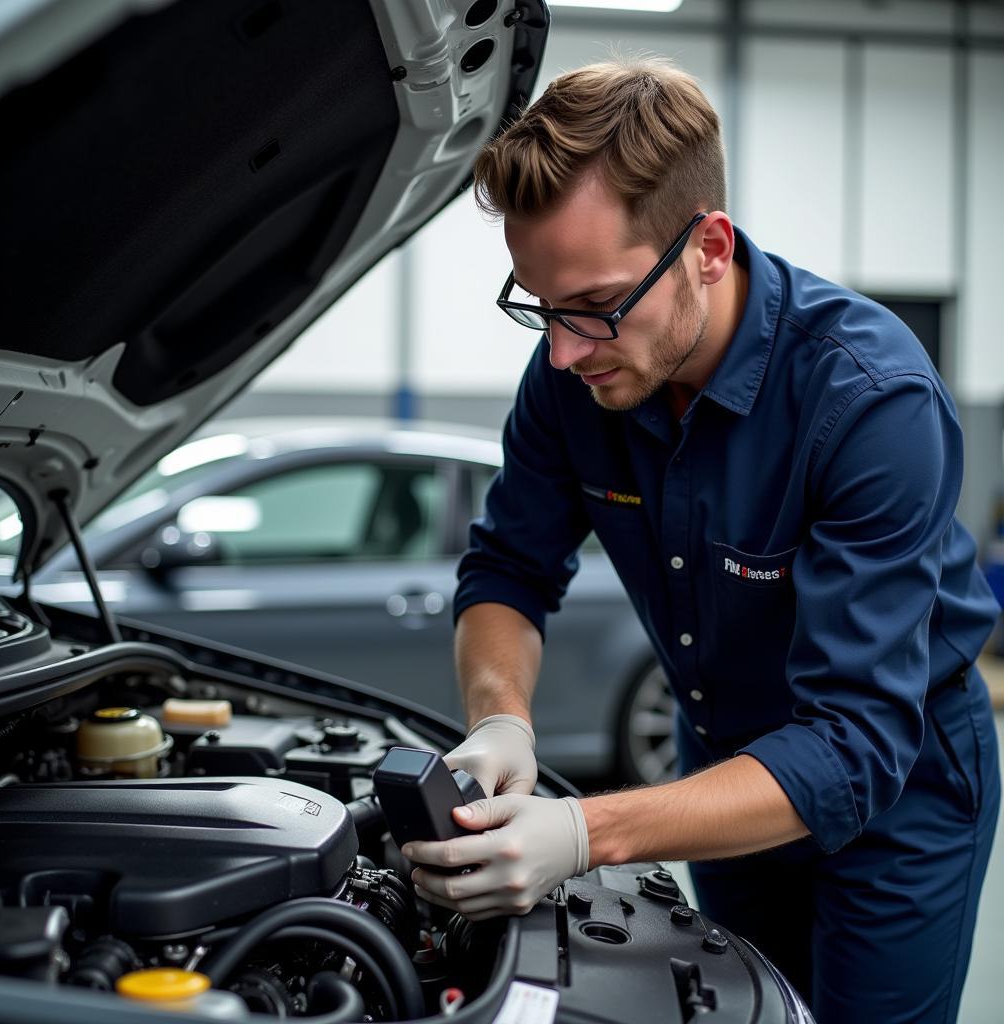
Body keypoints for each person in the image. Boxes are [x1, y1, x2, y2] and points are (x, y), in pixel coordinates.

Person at [399, 58, 1001, 1023]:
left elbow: (853, 745)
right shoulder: (573, 372)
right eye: (539, 307)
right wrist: (500, 717)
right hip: (726, 758)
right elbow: (508, 570)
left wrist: (585, 830)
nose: (562, 351)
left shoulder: (870, 402)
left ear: (709, 248)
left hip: (902, 787)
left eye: (596, 308)